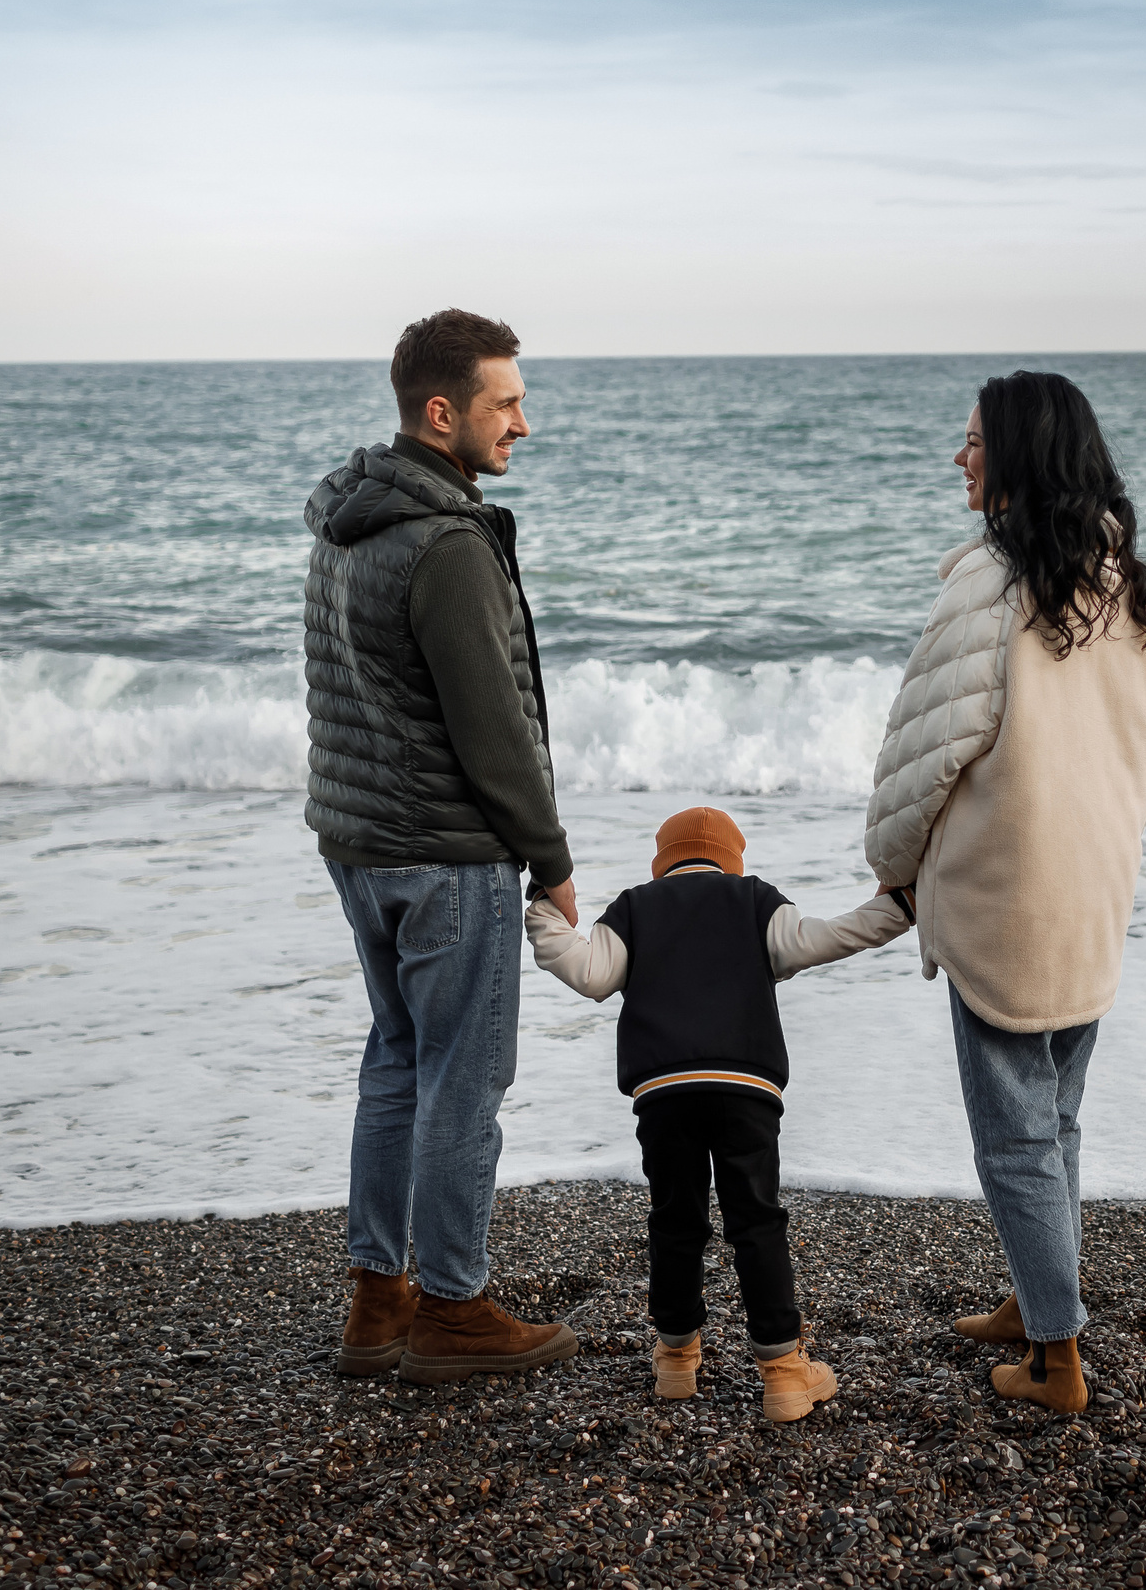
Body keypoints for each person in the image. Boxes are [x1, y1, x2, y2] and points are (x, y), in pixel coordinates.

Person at [863, 370, 1146, 1415]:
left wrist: (890, 865)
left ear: (1019, 457)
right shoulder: (1121, 587)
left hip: (1006, 897)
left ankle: (1053, 1359)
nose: (960, 457)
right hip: (1092, 889)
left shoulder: (989, 588)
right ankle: (1043, 1295)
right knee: (1059, 1122)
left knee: (1012, 1135)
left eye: (975, 441)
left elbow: (925, 752)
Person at [303, 308, 584, 1385]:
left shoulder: (345, 522)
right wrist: (549, 858)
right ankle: (456, 1308)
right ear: (441, 412)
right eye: (504, 403)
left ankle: (379, 1298)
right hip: (443, 853)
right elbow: (495, 735)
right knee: (466, 1075)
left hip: (359, 837)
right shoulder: (449, 546)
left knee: (398, 1060)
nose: (523, 421)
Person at [524, 806, 915, 1421]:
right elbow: (823, 938)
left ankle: (676, 1360)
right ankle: (784, 1373)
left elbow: (591, 974)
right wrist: (899, 908)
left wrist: (544, 908)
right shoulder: (754, 899)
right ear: (733, 859)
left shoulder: (635, 906)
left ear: (662, 861)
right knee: (756, 1219)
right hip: (745, 1087)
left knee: (675, 1220)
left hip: (663, 1090)